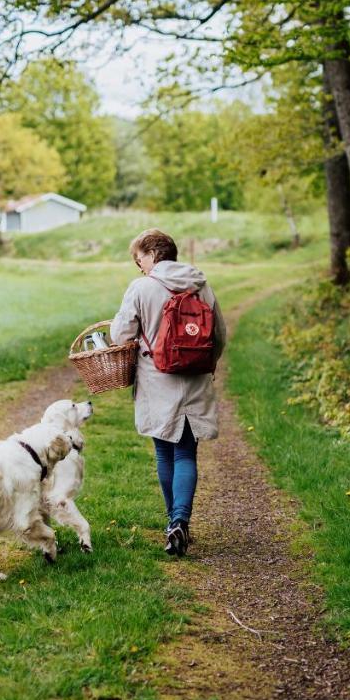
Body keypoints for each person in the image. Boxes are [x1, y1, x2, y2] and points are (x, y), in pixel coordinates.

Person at [111, 228, 226, 556]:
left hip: (157, 380)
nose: (140, 266)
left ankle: (172, 523)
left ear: (151, 254)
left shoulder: (142, 287)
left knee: (165, 452)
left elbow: (120, 335)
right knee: (187, 452)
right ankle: (181, 521)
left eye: (139, 259)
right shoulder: (201, 285)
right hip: (195, 378)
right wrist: (208, 363)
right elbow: (219, 334)